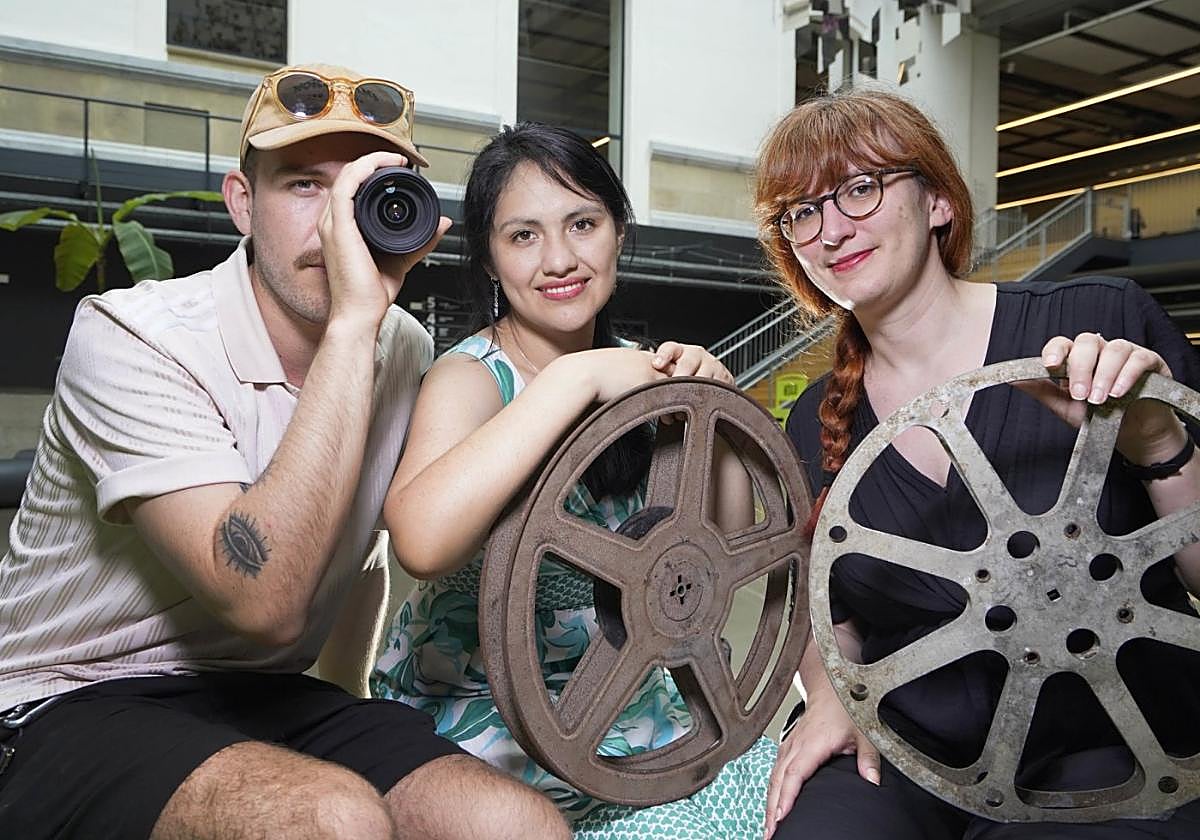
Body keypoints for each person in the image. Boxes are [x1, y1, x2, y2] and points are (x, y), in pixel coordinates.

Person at [0, 63, 569, 840]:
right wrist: (349, 327)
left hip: (261, 692)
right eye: (305, 186)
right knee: (331, 820)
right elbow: (263, 602)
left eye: (362, 192)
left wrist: (350, 703)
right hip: (66, 697)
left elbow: (362, 554)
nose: (335, 224)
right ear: (243, 203)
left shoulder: (398, 344)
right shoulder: (134, 335)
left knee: (514, 825)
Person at [754, 87, 1200, 840]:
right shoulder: (810, 421)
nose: (831, 229)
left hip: (1119, 744)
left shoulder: (1101, 322)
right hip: (906, 748)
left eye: (860, 189)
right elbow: (827, 614)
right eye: (802, 212)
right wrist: (827, 694)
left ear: (938, 202)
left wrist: (1157, 443)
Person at [370, 122, 778, 838]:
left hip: (631, 706)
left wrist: (710, 415)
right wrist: (575, 377)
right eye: (523, 235)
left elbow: (723, 547)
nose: (559, 258)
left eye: (582, 224)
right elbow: (422, 543)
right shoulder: (471, 377)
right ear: (490, 261)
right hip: (484, 718)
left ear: (619, 233)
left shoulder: (640, 370)